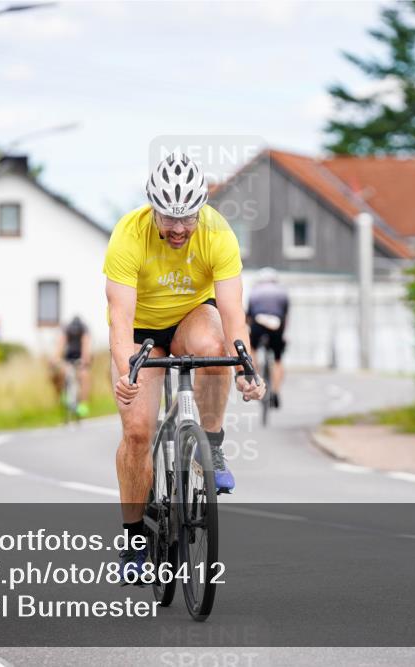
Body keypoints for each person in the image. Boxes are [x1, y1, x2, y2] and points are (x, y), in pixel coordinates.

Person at [104, 150, 265, 579]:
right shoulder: (128, 235)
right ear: (152, 207)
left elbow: (233, 313)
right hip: (142, 333)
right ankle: (135, 541)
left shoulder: (218, 233)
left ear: (201, 207)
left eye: (187, 218)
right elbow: (119, 322)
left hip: (191, 316)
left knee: (215, 346)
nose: (178, 229)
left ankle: (210, 443)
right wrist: (126, 373)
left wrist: (246, 367)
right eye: (168, 218)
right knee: (138, 432)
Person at [247, 267, 289, 408]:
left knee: (252, 350)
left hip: (258, 322)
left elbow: (249, 316)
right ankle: (276, 392)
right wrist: (284, 334)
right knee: (277, 360)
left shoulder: (255, 291)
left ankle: (256, 378)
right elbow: (285, 317)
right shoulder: (282, 291)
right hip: (276, 324)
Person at [54, 315, 92, 417]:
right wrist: (56, 358)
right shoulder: (67, 329)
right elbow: (60, 344)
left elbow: (86, 345)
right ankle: (63, 394)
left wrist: (85, 360)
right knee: (62, 371)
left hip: (80, 357)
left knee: (84, 375)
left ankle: (83, 404)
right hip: (68, 357)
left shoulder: (84, 329)